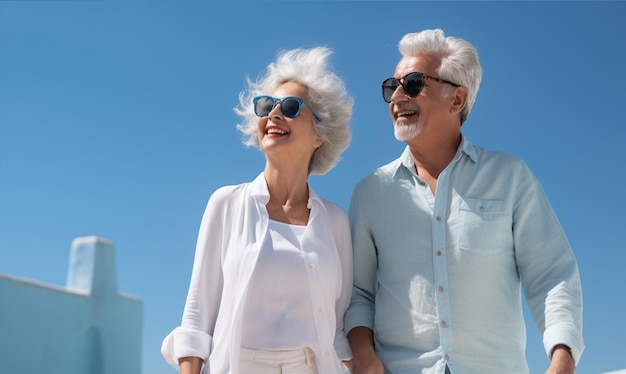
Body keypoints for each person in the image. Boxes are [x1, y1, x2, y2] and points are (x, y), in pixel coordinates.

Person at [344, 28, 584, 374]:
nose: (397, 96)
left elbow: (551, 275)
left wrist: (563, 359)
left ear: (457, 99)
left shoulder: (510, 176)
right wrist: (364, 355)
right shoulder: (371, 192)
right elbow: (359, 294)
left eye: (412, 84)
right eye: (390, 86)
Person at [161, 46, 354, 374]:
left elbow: (337, 330)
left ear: (320, 136)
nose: (274, 115)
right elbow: (196, 320)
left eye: (291, 107)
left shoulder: (335, 221)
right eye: (267, 106)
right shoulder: (226, 204)